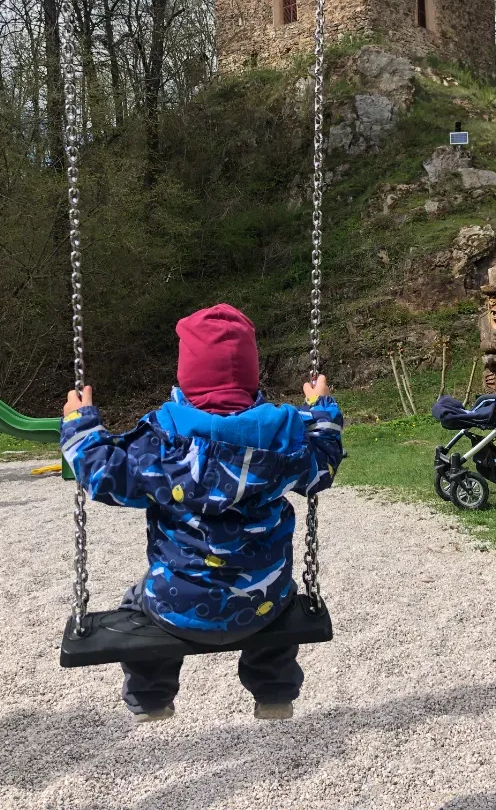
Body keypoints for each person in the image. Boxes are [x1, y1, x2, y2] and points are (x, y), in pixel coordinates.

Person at [60, 304, 343, 724]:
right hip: (261, 606)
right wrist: (322, 412)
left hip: (176, 606)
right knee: (284, 602)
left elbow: (102, 475)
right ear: (252, 378)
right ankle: (274, 691)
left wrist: (81, 424)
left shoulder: (161, 442)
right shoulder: (285, 439)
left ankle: (151, 696)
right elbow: (323, 464)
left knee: (136, 601)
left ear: (184, 379)